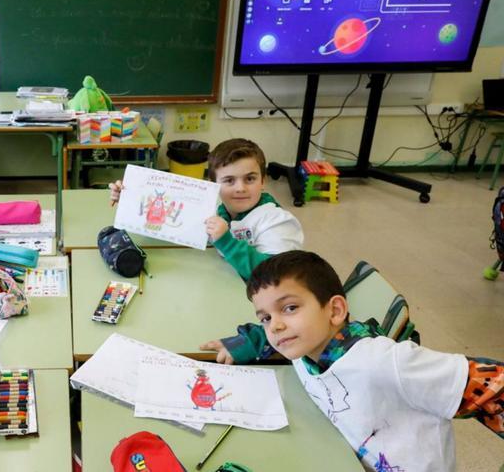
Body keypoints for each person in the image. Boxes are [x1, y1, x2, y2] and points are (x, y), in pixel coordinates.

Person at [201, 251, 503, 471]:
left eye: (290, 308)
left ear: (335, 311)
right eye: (266, 317)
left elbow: (493, 385)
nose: (275, 327)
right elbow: (275, 334)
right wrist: (248, 341)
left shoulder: (382, 362)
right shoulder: (305, 345)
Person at [111, 138, 303, 280]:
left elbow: (277, 276)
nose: (240, 188)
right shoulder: (219, 211)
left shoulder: (276, 221)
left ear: (263, 181)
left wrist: (226, 241)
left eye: (250, 179)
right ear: (214, 185)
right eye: (229, 180)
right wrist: (131, 200)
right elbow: (172, 227)